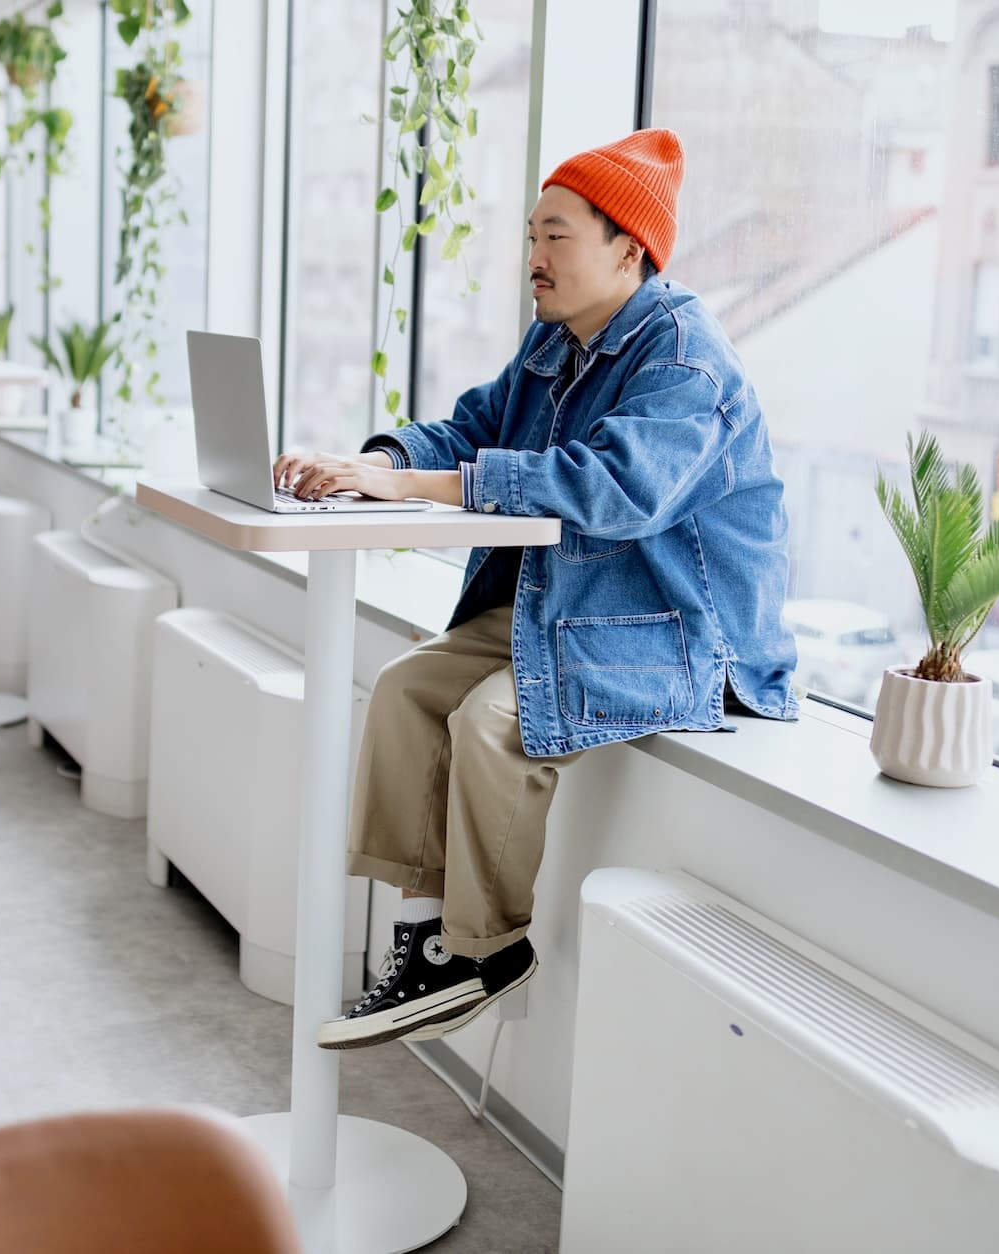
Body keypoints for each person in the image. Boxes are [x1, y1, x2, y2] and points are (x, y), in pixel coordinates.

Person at [274, 129, 799, 1051]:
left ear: (628, 248)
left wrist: (417, 489)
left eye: (555, 237)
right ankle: (425, 937)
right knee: (406, 690)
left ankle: (487, 951)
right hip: (574, 611)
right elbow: (474, 428)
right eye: (530, 238)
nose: (533, 260)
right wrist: (377, 462)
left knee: (489, 721)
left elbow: (611, 488)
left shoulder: (687, 358)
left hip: (680, 634)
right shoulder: (555, 343)